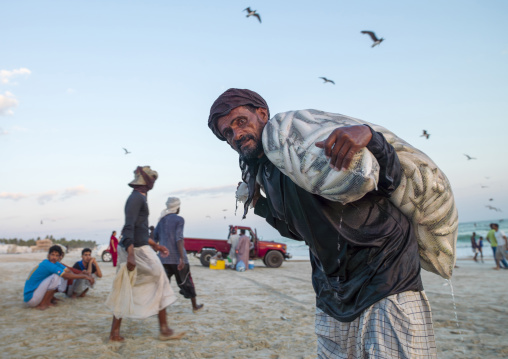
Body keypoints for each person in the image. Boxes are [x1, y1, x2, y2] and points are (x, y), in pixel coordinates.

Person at [208, 88, 437, 358]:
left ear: (262, 114)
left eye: (241, 122)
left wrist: (370, 138)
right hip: (332, 290)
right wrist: (260, 205)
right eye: (227, 133)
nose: (236, 135)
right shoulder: (266, 172)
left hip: (386, 272)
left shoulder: (305, 143)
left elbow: (389, 182)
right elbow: (297, 229)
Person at [106, 166, 182, 342]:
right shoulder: (135, 199)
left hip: (140, 247)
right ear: (147, 181)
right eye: (152, 179)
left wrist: (156, 245)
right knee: (146, 281)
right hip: (136, 250)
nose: (154, 182)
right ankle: (162, 329)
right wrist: (131, 253)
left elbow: (140, 230)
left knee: (132, 284)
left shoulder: (140, 198)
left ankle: (116, 333)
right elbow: (128, 228)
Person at [154, 197, 204, 313]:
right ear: (177, 207)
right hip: (177, 259)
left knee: (163, 286)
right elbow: (179, 239)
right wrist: (181, 258)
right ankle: (194, 306)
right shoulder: (179, 219)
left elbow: (154, 239)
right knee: (187, 281)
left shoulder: (161, 220)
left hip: (163, 260)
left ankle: (161, 310)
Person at [24, 245, 94, 310]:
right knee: (56, 276)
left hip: (35, 295)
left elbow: (68, 271)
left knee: (59, 275)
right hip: (31, 298)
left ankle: (48, 301)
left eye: (57, 255)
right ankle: (42, 304)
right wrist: (84, 276)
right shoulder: (47, 264)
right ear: (48, 255)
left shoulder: (56, 263)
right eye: (52, 255)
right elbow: (65, 275)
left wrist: (81, 274)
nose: (54, 257)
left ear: (59, 257)